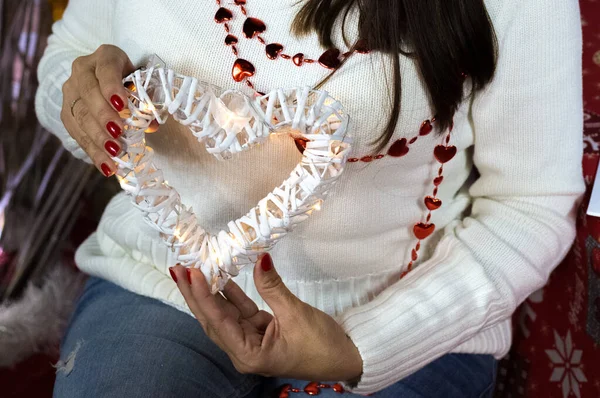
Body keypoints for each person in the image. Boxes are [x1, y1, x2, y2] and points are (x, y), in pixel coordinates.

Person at [35, 0, 584, 396]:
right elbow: (71, 53)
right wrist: (88, 105)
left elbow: (529, 205)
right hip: (162, 282)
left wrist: (363, 346)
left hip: (408, 314)